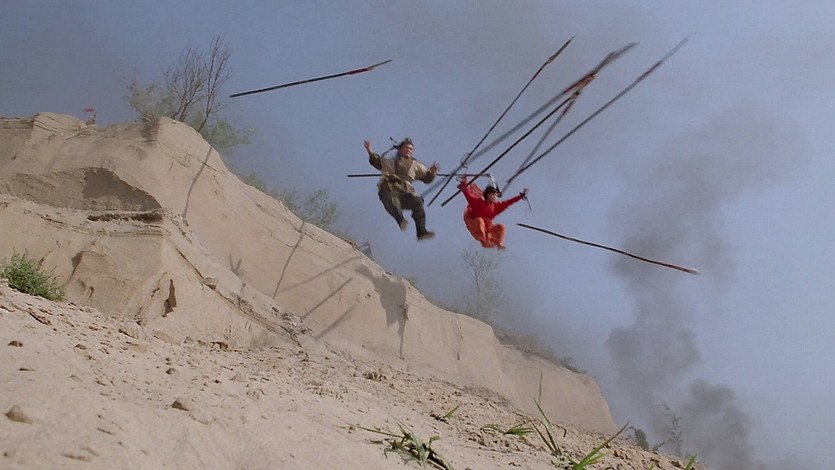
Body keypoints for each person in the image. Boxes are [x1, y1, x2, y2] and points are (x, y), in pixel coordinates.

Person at [364, 137, 440, 240]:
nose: (408, 150)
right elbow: (376, 161)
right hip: (389, 189)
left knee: (418, 202)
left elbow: (427, 178)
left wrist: (433, 172)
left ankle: (421, 231)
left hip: (405, 194)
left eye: (411, 149)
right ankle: (400, 220)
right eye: (406, 148)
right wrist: (369, 149)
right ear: (400, 149)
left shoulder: (416, 165)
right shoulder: (390, 162)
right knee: (392, 197)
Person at [458, 176, 528, 249]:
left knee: (501, 227)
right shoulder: (477, 202)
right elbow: (467, 194)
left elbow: (509, 202)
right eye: (493, 194)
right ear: (488, 194)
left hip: (487, 229)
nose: (495, 197)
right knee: (480, 221)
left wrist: (521, 196)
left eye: (496, 195)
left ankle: (499, 243)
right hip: (476, 226)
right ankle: (483, 239)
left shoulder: (496, 206)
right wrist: (463, 183)